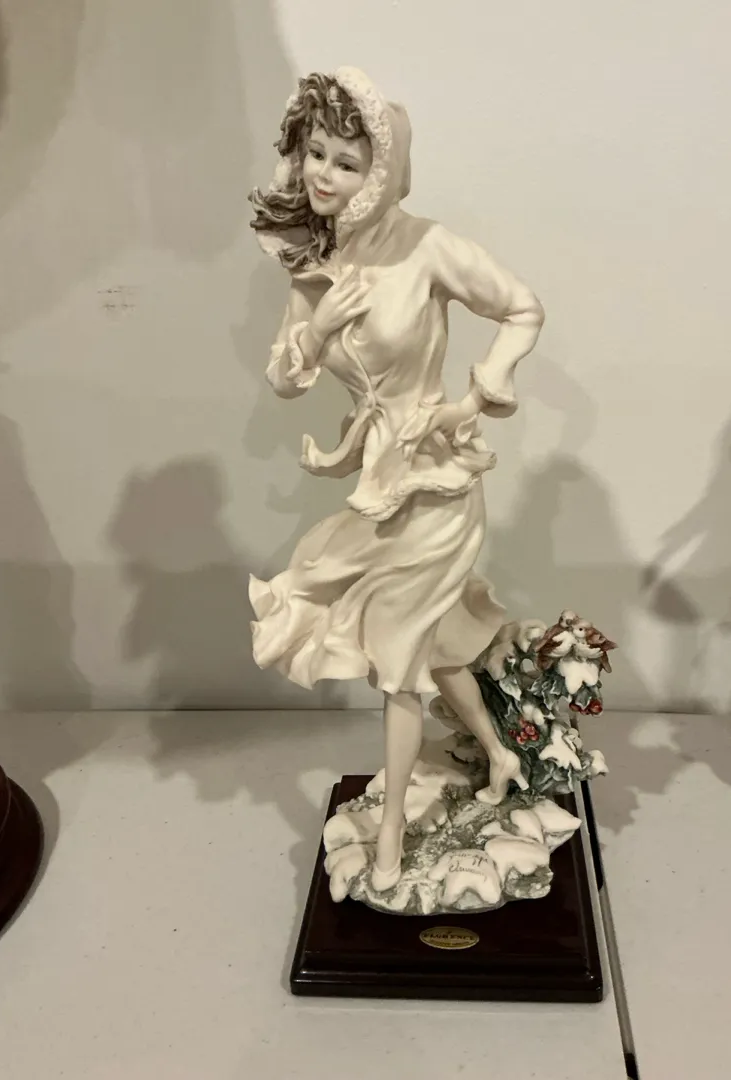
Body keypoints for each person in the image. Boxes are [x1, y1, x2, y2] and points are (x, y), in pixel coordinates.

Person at [249, 68, 544, 890]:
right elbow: (283, 376)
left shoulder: (426, 246)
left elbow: (522, 308)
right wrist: (317, 327)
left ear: (381, 171)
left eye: (347, 162)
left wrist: (475, 398)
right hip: (375, 481)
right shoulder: (313, 255)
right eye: (317, 153)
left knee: (399, 664)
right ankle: (499, 756)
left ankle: (387, 845)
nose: (324, 174)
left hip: (436, 483)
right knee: (429, 643)